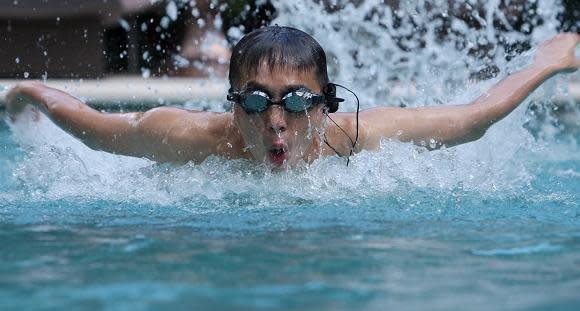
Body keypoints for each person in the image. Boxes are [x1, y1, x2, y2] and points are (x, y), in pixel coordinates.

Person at [5, 26, 580, 168]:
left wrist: (550, 62)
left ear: (327, 104)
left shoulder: (355, 137)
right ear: (234, 106)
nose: (276, 123)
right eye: (255, 103)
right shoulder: (187, 136)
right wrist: (31, 94)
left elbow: (476, 118)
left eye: (298, 102)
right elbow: (91, 128)